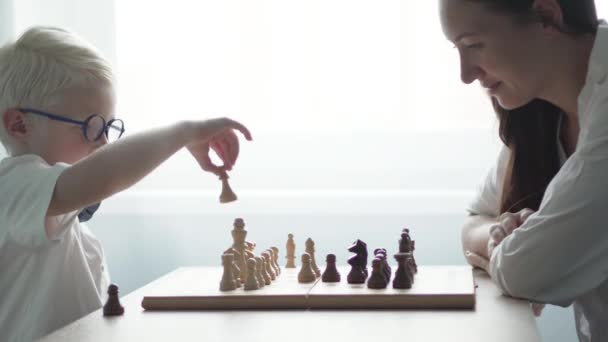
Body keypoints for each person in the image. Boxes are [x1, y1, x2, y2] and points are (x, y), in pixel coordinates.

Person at [0, 26, 252, 341]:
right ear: (19, 124)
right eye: (90, 127)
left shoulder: (66, 222)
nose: (104, 143)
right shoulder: (10, 187)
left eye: (108, 126)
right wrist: (186, 132)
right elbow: (106, 173)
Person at [439, 0, 607, 340]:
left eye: (473, 45)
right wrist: (504, 235)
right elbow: (475, 220)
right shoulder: (543, 114)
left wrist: (509, 248)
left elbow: (524, 273)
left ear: (546, 15)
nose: (466, 74)